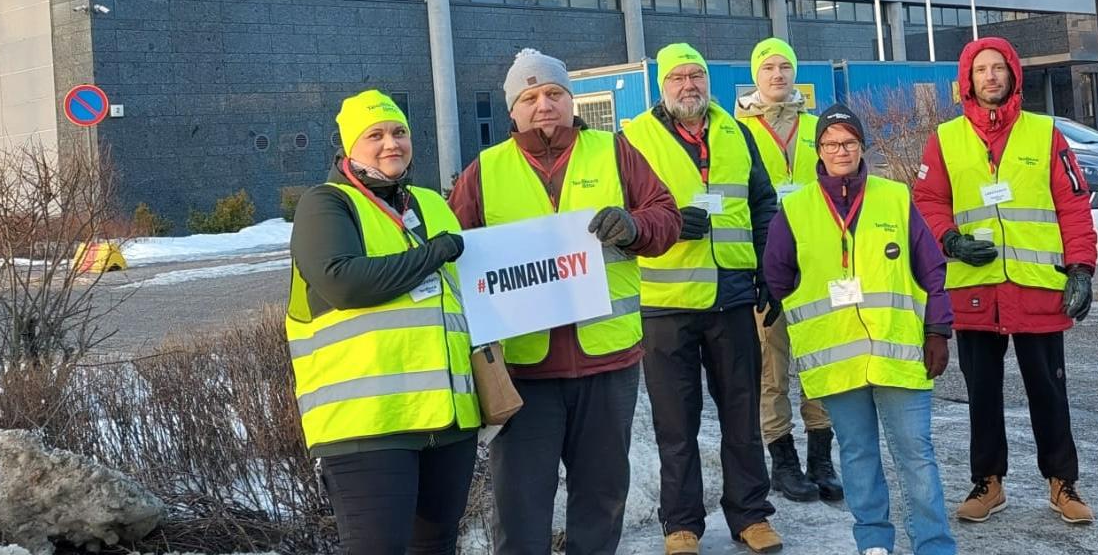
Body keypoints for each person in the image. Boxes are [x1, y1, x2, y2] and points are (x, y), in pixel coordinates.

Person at [449, 49, 682, 555]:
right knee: (520, 509)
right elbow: (453, 253)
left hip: (608, 362)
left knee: (601, 501)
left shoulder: (614, 151)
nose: (544, 105)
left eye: (554, 93)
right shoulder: (484, 171)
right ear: (513, 110)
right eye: (530, 97)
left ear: (570, 100)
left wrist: (635, 226)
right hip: (524, 372)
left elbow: (667, 215)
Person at [285, 90, 480, 555]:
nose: (391, 143)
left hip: (447, 420)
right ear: (349, 146)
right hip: (367, 426)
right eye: (375, 135)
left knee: (436, 547)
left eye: (399, 132)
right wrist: (435, 252)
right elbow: (344, 283)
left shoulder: (431, 203)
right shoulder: (326, 204)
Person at [913, 37, 1098, 525]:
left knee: (1048, 391)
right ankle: (988, 482)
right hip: (975, 288)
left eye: (998, 68)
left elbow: (1073, 205)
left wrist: (1081, 268)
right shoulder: (945, 138)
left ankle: (1062, 483)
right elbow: (927, 201)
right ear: (968, 80)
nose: (990, 76)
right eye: (981, 70)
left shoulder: (1045, 133)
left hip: (1037, 286)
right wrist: (949, 240)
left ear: (1013, 75)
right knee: (982, 394)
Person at [765, 103, 956, 555]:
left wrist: (938, 330)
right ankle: (873, 540)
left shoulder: (894, 197)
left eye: (849, 142)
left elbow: (931, 270)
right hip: (838, 358)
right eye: (831, 143)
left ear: (862, 146)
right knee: (857, 453)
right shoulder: (796, 209)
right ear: (819, 150)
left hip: (900, 355)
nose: (841, 150)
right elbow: (777, 274)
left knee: (916, 454)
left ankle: (933, 544)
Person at [622, 43, 784, 555]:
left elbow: (763, 203)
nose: (688, 85)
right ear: (662, 86)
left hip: (732, 296)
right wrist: (662, 224)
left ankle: (751, 515)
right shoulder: (631, 138)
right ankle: (682, 524)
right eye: (678, 77)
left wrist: (770, 269)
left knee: (742, 414)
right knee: (676, 424)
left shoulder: (736, 131)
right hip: (664, 301)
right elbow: (617, 214)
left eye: (697, 75)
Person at [735, 37, 842, 503]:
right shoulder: (736, 131)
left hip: (816, 261)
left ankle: (821, 458)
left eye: (785, 66)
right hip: (767, 263)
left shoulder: (818, 127)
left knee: (819, 359)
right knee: (771, 367)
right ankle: (783, 462)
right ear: (755, 76)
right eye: (768, 68)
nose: (777, 75)